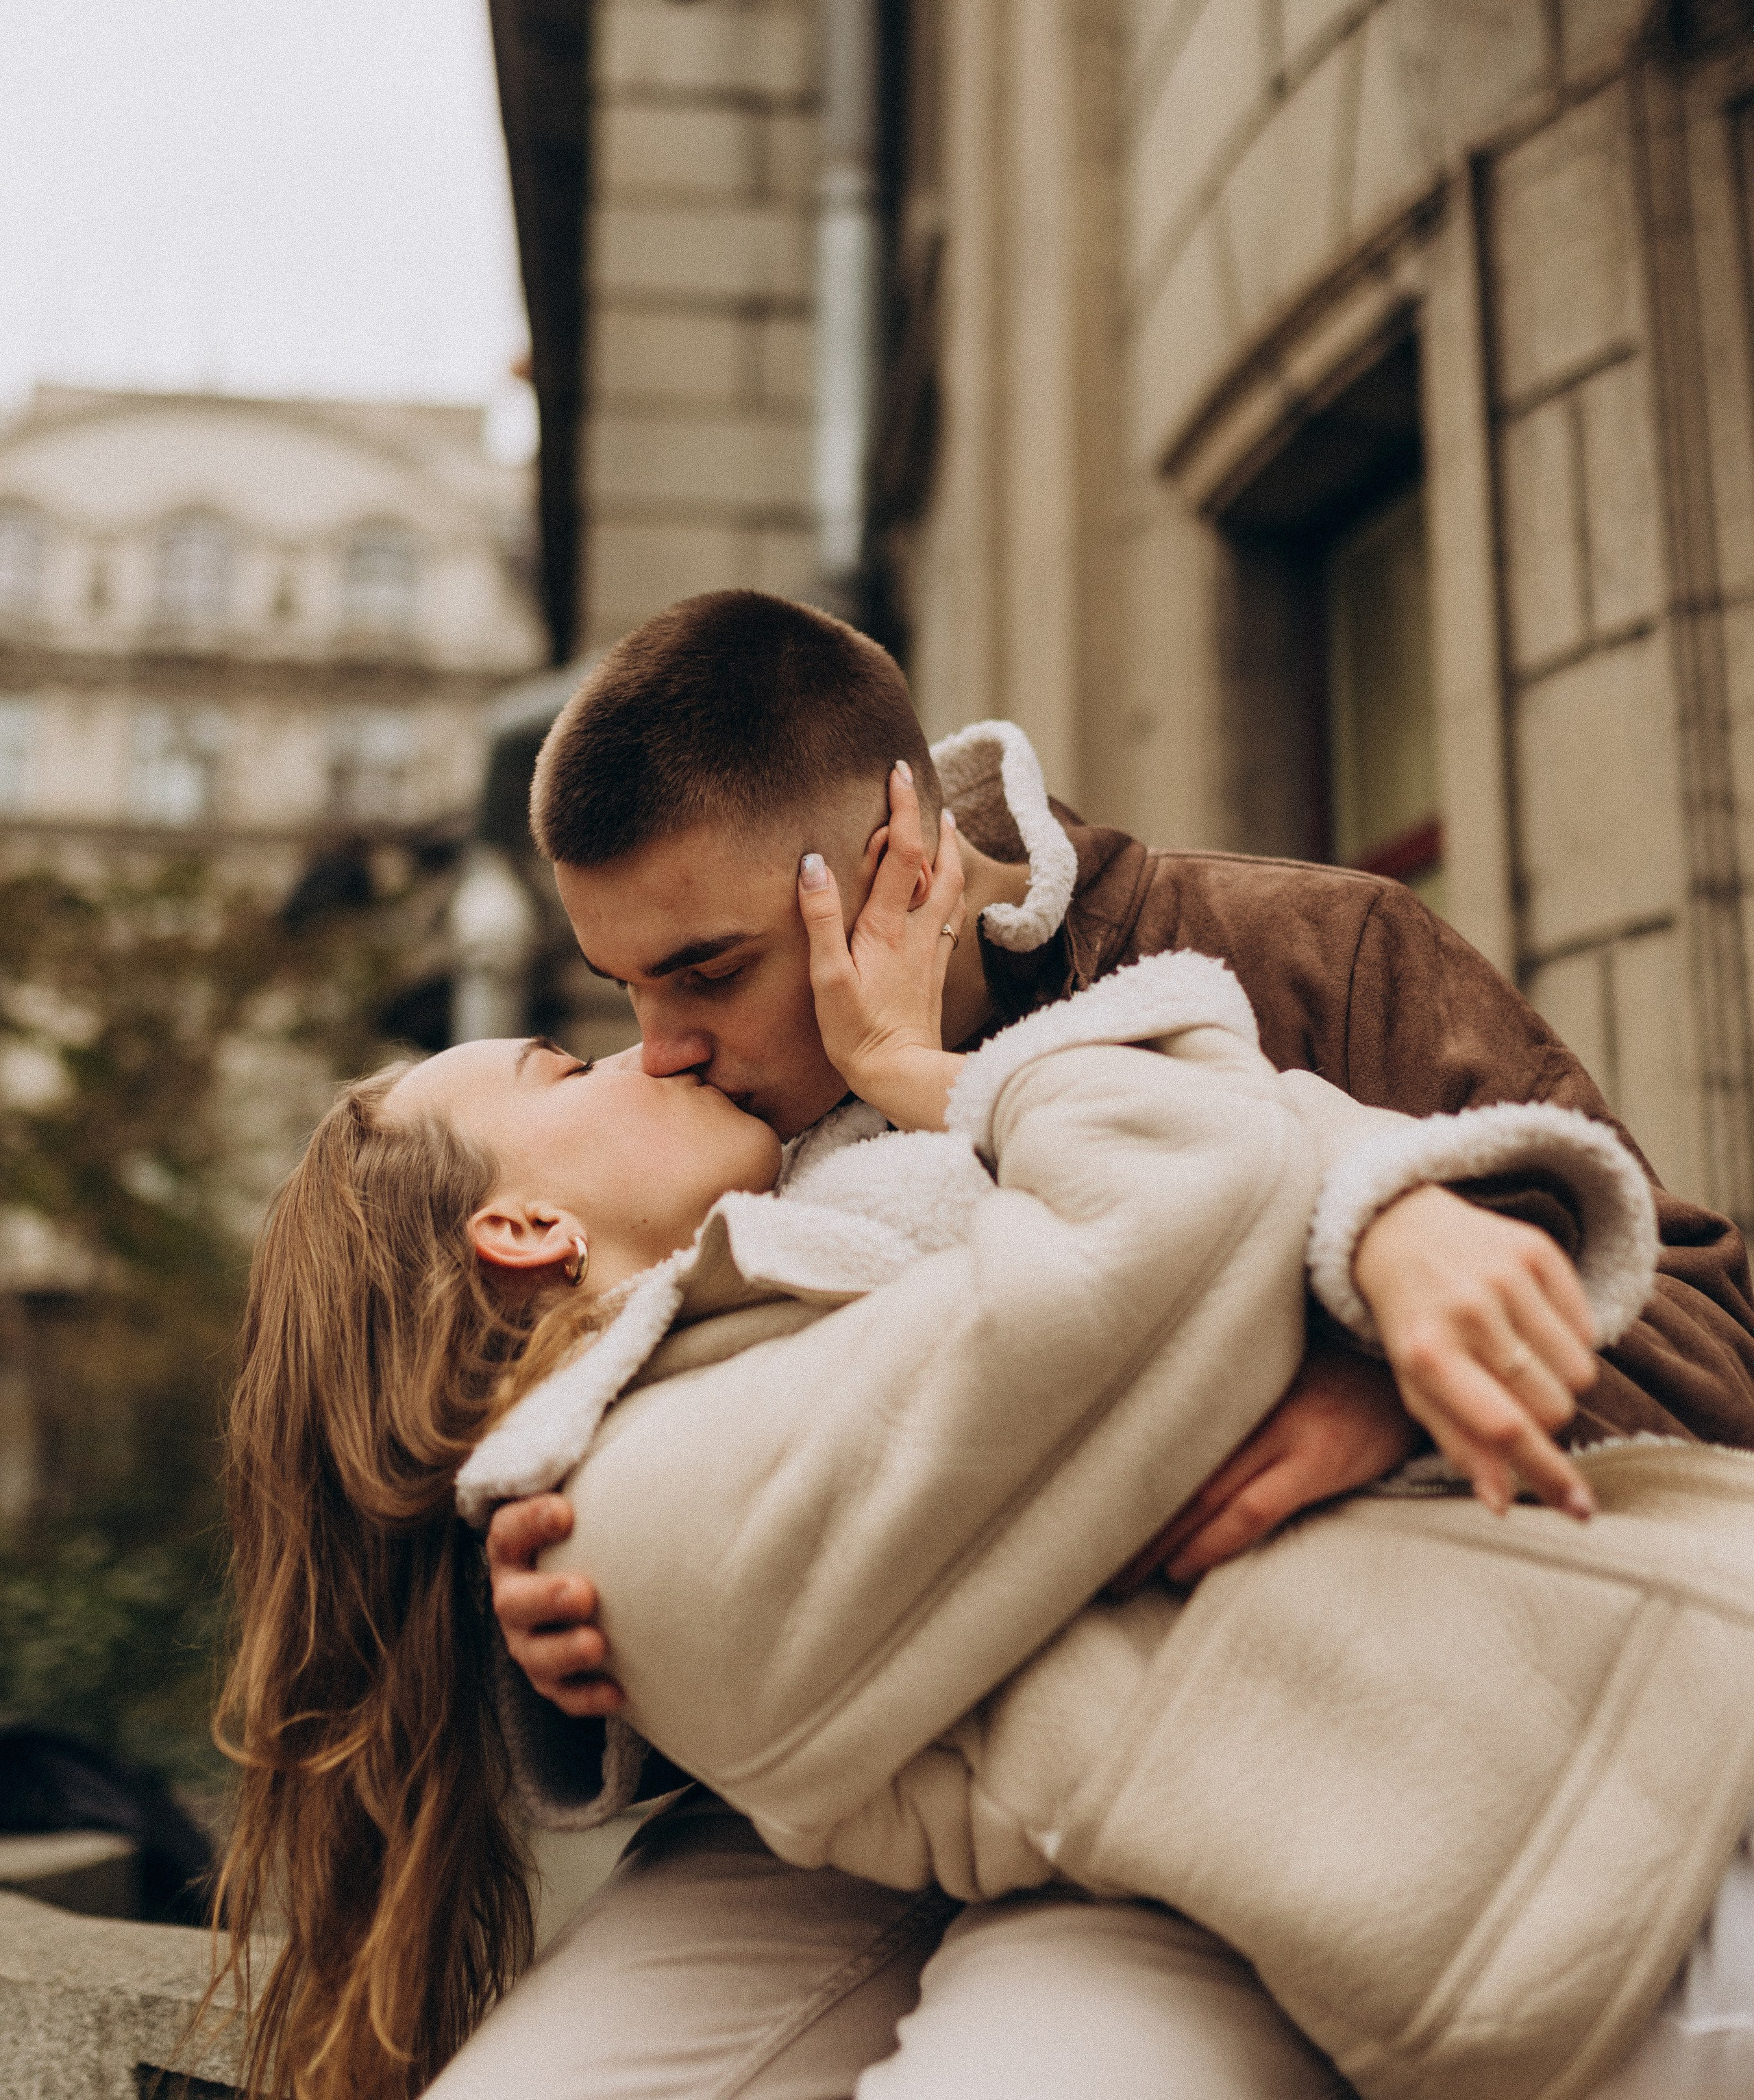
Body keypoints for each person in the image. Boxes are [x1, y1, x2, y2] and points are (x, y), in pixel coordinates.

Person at [210, 817, 1753, 2100]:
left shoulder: (1288, 941)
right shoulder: (639, 1449)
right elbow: (1169, 1215)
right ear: (525, 1228)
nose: (657, 1045)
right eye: (589, 1035)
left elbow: (1681, 1294)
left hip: (1520, 1736)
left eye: (703, 972)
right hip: (1344, 1810)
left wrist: (1388, 1297)